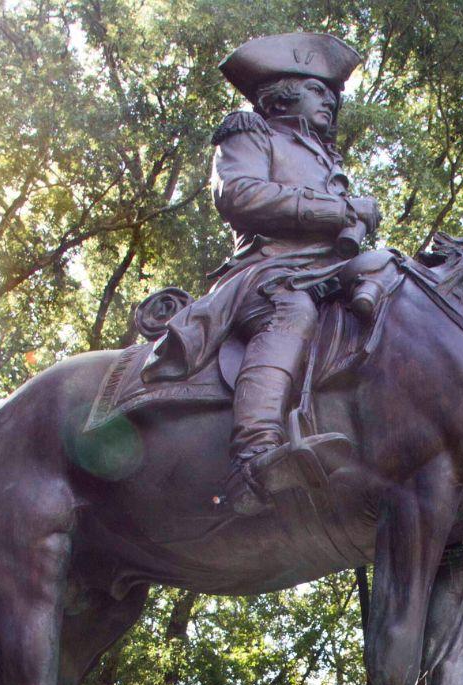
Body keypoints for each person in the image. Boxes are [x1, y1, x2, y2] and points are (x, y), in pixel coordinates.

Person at [140, 33, 382, 514]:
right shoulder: (250, 133)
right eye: (319, 92)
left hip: (328, 273)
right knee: (288, 313)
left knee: (396, 279)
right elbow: (239, 196)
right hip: (269, 274)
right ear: (285, 91)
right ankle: (254, 456)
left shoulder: (325, 159)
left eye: (333, 97)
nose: (330, 104)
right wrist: (336, 210)